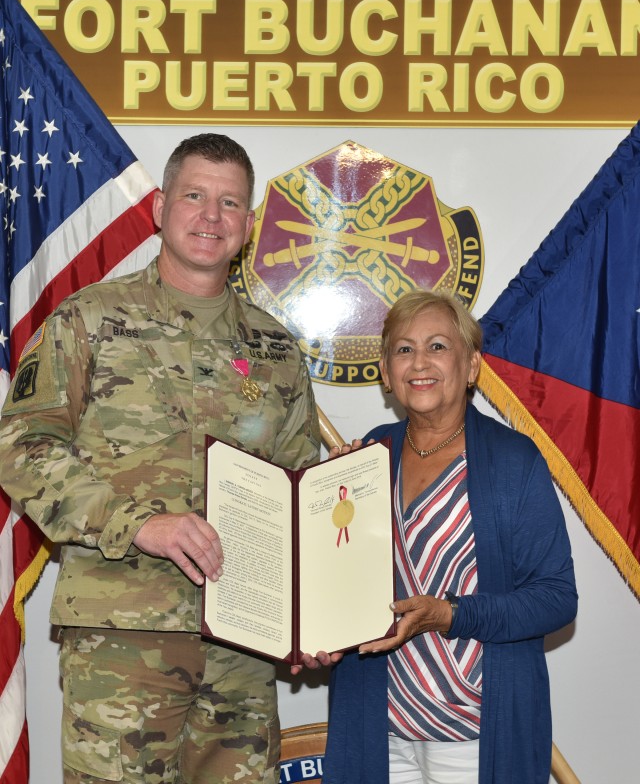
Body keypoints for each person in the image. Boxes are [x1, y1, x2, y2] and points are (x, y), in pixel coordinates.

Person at [0, 134, 322, 784]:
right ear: (159, 207)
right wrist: (139, 522)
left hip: (243, 642)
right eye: (195, 196)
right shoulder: (88, 321)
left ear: (250, 225)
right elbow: (20, 447)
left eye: (230, 203)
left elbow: (301, 498)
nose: (211, 216)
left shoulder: (275, 349)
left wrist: (310, 614)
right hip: (123, 638)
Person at [322, 289, 578, 784]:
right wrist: (326, 506)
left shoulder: (513, 461)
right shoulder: (368, 456)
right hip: (381, 731)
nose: (419, 362)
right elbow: (338, 584)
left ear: (472, 364)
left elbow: (556, 599)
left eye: (438, 346)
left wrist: (450, 614)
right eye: (403, 349)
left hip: (475, 737)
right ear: (384, 370)